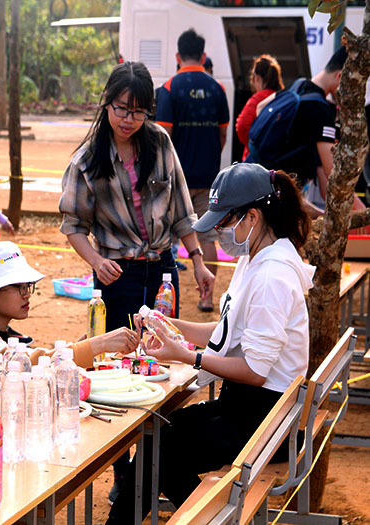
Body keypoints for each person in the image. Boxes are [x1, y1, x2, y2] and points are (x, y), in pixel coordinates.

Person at [106, 162, 314, 524]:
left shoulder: (272, 276)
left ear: (252, 216)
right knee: (161, 441)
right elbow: (226, 330)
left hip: (265, 420)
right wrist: (171, 325)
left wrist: (188, 356)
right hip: (257, 409)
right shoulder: (258, 258)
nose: (219, 232)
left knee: (161, 449)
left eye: (224, 222)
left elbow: (255, 371)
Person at [59, 60, 214, 502]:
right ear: (106, 103)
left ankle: (155, 467)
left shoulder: (160, 143)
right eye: (121, 108)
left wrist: (198, 260)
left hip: (163, 271)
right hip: (118, 277)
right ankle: (125, 478)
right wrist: (95, 260)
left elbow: (184, 211)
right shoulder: (87, 160)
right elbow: (72, 224)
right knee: (118, 369)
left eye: (139, 111)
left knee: (163, 365)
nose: (129, 119)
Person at [0, 241, 141, 456]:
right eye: (16, 287)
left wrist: (78, 351)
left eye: (28, 286)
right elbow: (22, 363)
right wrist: (94, 345)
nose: (26, 294)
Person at [155, 28, 230, 312]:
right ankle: (207, 297)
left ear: (177, 55)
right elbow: (223, 136)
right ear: (203, 55)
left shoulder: (170, 88)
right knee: (208, 236)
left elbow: (164, 137)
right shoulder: (217, 88)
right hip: (208, 174)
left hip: (176, 178)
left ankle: (162, 300)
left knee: (165, 236)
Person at [254, 46, 364, 212]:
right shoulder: (322, 110)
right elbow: (333, 176)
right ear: (340, 76)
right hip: (274, 195)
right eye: (352, 87)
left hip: (256, 178)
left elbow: (261, 107)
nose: (350, 94)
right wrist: (362, 213)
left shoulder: (298, 85)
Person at [236, 54, 284, 161]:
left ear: (257, 78)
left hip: (256, 161)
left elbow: (242, 126)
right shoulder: (284, 98)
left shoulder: (257, 99)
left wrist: (254, 145)